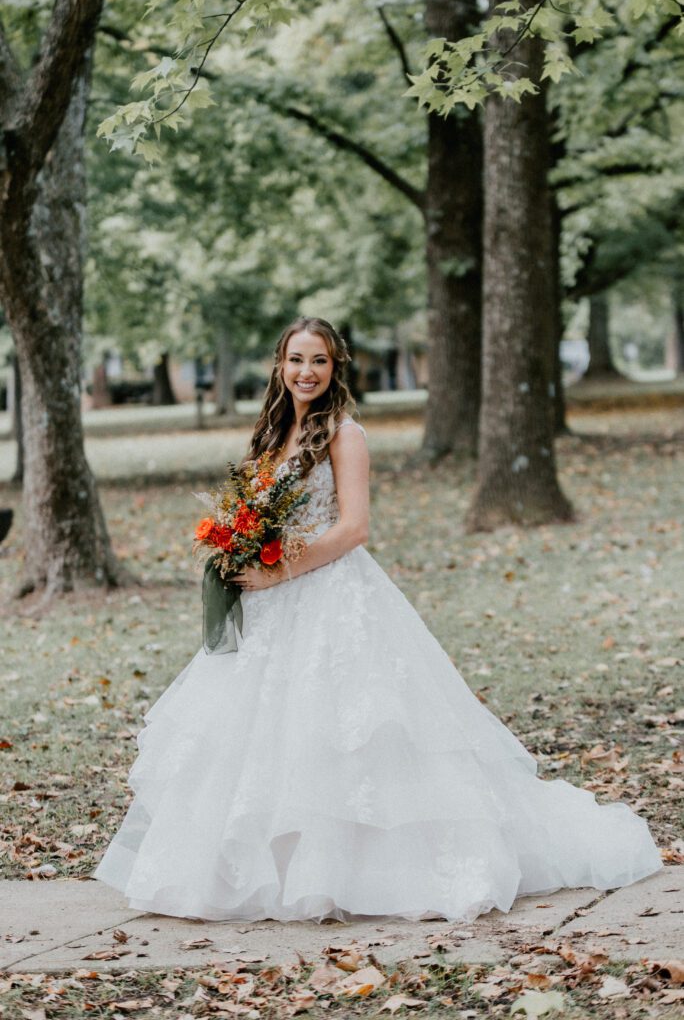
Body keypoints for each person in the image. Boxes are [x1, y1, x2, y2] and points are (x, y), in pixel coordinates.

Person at [93, 316, 663, 923]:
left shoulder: (346, 434)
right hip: (271, 603)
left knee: (352, 730)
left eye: (319, 360)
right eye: (296, 359)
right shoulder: (272, 433)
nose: (306, 371)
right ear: (279, 366)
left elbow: (354, 528)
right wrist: (242, 550)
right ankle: (259, 870)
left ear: (335, 368)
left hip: (330, 594)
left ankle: (353, 872)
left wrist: (277, 572)